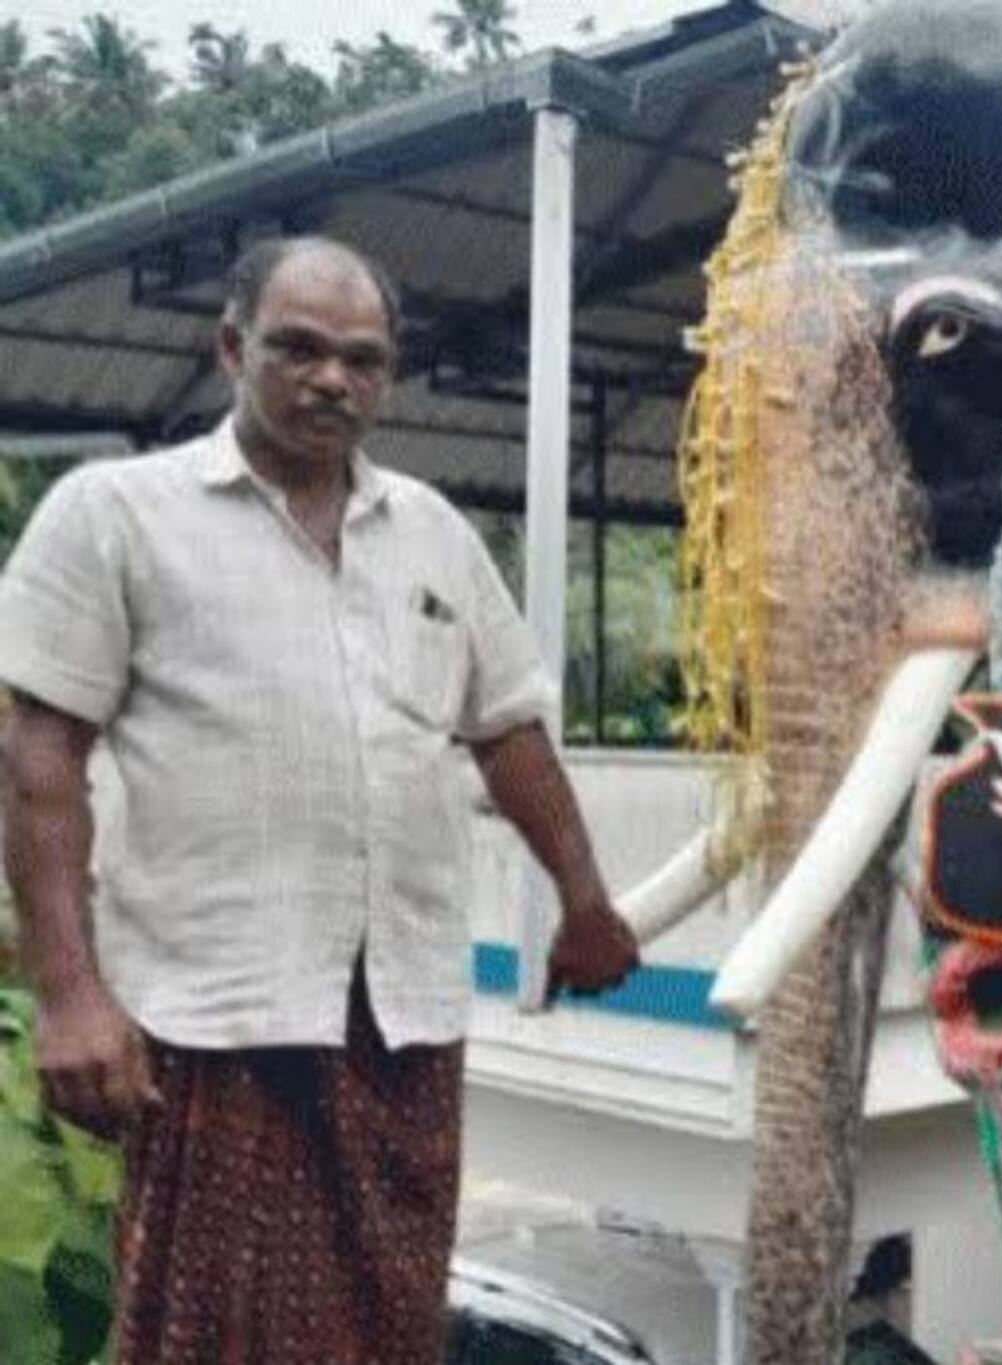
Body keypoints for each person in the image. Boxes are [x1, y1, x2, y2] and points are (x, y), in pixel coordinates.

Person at [0, 235, 641, 1364]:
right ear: (232, 347)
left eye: (363, 359)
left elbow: (509, 732)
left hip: (402, 1024)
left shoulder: (434, 533)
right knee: (214, 1331)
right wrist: (70, 994)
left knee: (392, 1322)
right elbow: (38, 755)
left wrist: (585, 902)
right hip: (218, 1019)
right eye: (297, 348)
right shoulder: (117, 513)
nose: (332, 379)